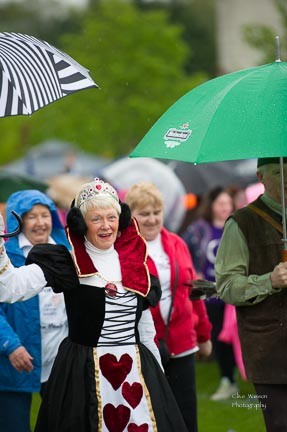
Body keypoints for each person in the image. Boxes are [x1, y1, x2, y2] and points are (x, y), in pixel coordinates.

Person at [0, 178, 188, 432]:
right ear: (81, 223)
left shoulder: (135, 264)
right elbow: (10, 288)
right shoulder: (68, 261)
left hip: (136, 371)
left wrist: (158, 380)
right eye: (96, 218)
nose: (105, 225)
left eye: (111, 217)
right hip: (82, 374)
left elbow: (145, 330)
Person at [125, 181, 212, 432]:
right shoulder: (125, 249)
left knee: (186, 415)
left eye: (156, 212)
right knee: (152, 415)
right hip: (144, 346)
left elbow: (193, 290)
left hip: (182, 342)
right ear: (131, 216)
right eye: (144, 213)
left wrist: (204, 334)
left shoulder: (176, 243)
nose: (152, 219)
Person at [215, 157, 287, 432]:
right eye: (279, 173)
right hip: (270, 351)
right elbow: (226, 286)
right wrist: (270, 280)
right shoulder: (241, 223)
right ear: (260, 176)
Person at [0, 189, 69, 432]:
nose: (40, 223)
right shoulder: (6, 258)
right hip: (16, 359)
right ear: (17, 221)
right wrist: (10, 344)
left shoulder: (67, 252)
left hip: (59, 358)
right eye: (31, 216)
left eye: (45, 215)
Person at [181, 187, 238, 401]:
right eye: (220, 203)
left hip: (233, 293)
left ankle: (236, 376)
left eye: (228, 203)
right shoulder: (198, 230)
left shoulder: (237, 227)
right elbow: (183, 252)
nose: (225, 207)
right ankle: (228, 380)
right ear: (211, 206)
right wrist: (192, 271)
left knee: (235, 336)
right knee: (220, 337)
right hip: (210, 295)